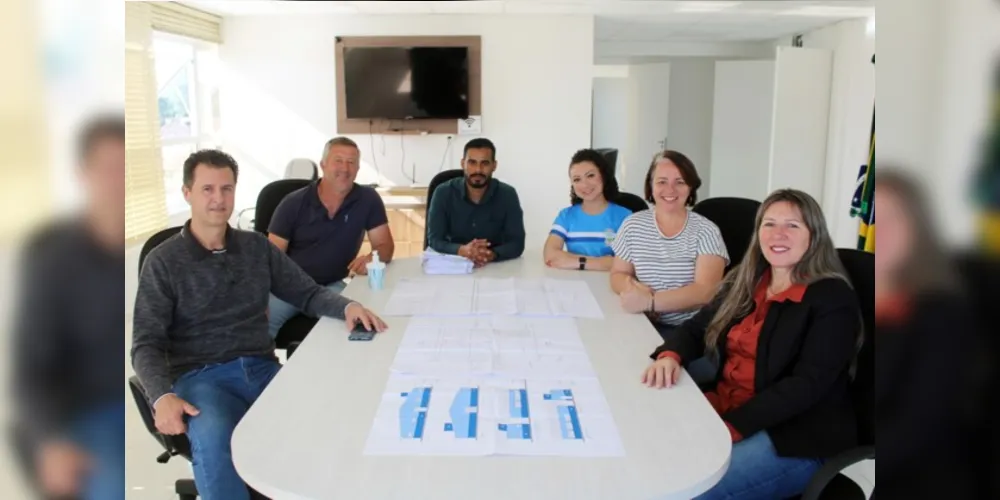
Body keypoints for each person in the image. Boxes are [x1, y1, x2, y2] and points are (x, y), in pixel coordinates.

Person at [131, 149, 387, 500]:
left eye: (227, 189)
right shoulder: (164, 262)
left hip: (261, 368)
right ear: (187, 193)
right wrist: (161, 395)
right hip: (201, 378)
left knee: (325, 418)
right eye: (207, 189)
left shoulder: (255, 248)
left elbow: (306, 292)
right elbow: (146, 342)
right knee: (213, 434)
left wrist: (348, 306)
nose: (219, 199)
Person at [642, 189, 862, 500]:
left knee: (687, 491)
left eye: (792, 226)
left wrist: (732, 427)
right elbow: (697, 326)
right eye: (769, 224)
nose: (778, 234)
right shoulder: (750, 279)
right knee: (645, 454)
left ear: (814, 236)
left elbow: (807, 384)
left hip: (795, 436)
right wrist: (670, 355)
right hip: (731, 406)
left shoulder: (832, 298)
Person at [11, 115, 126, 500]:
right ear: (83, 173)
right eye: (109, 169)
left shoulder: (155, 258)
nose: (119, 182)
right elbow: (29, 368)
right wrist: (49, 440)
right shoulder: (52, 257)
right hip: (86, 415)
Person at [873, 170, 987, 499]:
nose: (881, 231)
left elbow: (917, 428)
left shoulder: (942, 313)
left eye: (893, 218)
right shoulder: (863, 294)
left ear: (917, 229)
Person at [266, 136, 394, 338]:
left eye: (351, 162)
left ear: (358, 169)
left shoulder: (368, 199)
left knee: (358, 323)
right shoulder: (293, 203)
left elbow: (384, 245)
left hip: (332, 286)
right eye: (338, 160)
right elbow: (270, 258)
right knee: (256, 329)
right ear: (323, 164)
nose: (345, 168)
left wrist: (373, 257)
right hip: (290, 288)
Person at [609, 150, 728, 338]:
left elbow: (705, 291)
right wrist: (631, 287)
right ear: (651, 186)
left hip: (689, 329)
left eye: (679, 182)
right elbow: (618, 273)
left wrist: (651, 302)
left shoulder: (706, 230)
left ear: (690, 187)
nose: (670, 190)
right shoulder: (632, 224)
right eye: (661, 181)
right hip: (640, 320)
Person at [426, 138, 525, 267]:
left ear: (494, 166)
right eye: (472, 163)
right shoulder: (443, 193)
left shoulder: (507, 194)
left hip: (494, 267)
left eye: (484, 163)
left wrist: (491, 254)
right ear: (463, 164)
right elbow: (434, 239)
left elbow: (517, 243)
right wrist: (462, 250)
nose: (478, 170)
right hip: (453, 266)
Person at [544, 149, 632, 271]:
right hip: (575, 284)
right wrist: (604, 262)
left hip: (611, 284)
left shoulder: (625, 217)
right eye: (577, 179)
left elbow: (632, 262)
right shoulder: (566, 216)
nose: (584, 185)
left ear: (603, 176)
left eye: (590, 175)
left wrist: (577, 262)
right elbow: (550, 255)